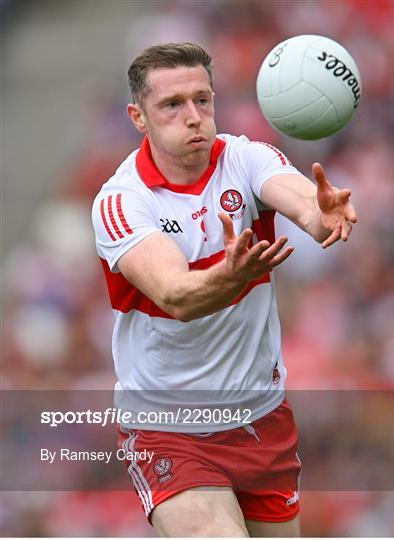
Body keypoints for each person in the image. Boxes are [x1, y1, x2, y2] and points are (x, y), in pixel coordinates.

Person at [92, 42, 357, 538]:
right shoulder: (122, 200)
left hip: (261, 416)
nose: (193, 117)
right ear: (138, 116)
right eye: (172, 105)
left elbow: (302, 203)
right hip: (167, 427)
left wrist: (321, 213)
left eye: (202, 100)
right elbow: (176, 295)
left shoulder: (246, 158)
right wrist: (230, 277)